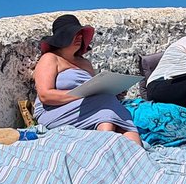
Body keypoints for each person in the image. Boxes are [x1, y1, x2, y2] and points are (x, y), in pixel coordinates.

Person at [33, 14, 142, 145]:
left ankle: (137, 153)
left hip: (86, 107)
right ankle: (106, 147)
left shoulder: (85, 63)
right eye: (74, 34)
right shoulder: (50, 58)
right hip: (53, 110)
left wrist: (112, 91)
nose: (79, 37)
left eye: (81, 34)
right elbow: (45, 95)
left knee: (112, 105)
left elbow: (93, 89)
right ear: (62, 37)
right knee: (105, 103)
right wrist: (81, 94)